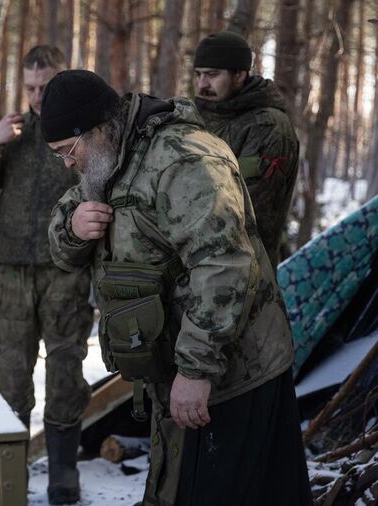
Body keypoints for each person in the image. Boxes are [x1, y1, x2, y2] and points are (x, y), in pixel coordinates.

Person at [44, 70, 312, 506]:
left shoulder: (183, 159)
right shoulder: (110, 160)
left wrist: (195, 370)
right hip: (174, 374)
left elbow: (224, 263)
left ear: (94, 129)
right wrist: (74, 229)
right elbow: (61, 236)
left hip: (232, 373)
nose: (68, 163)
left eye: (66, 151)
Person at [0, 46, 92, 505]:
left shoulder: (81, 130)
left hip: (66, 272)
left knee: (65, 370)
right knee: (12, 376)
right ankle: (10, 470)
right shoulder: (11, 132)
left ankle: (63, 472)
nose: (38, 97)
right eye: (31, 88)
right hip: (14, 272)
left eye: (46, 87)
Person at [193, 31, 299, 268]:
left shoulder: (269, 126)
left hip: (245, 272)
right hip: (197, 268)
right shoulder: (197, 115)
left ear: (240, 74)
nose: (202, 85)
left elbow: (247, 211)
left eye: (212, 75)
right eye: (198, 75)